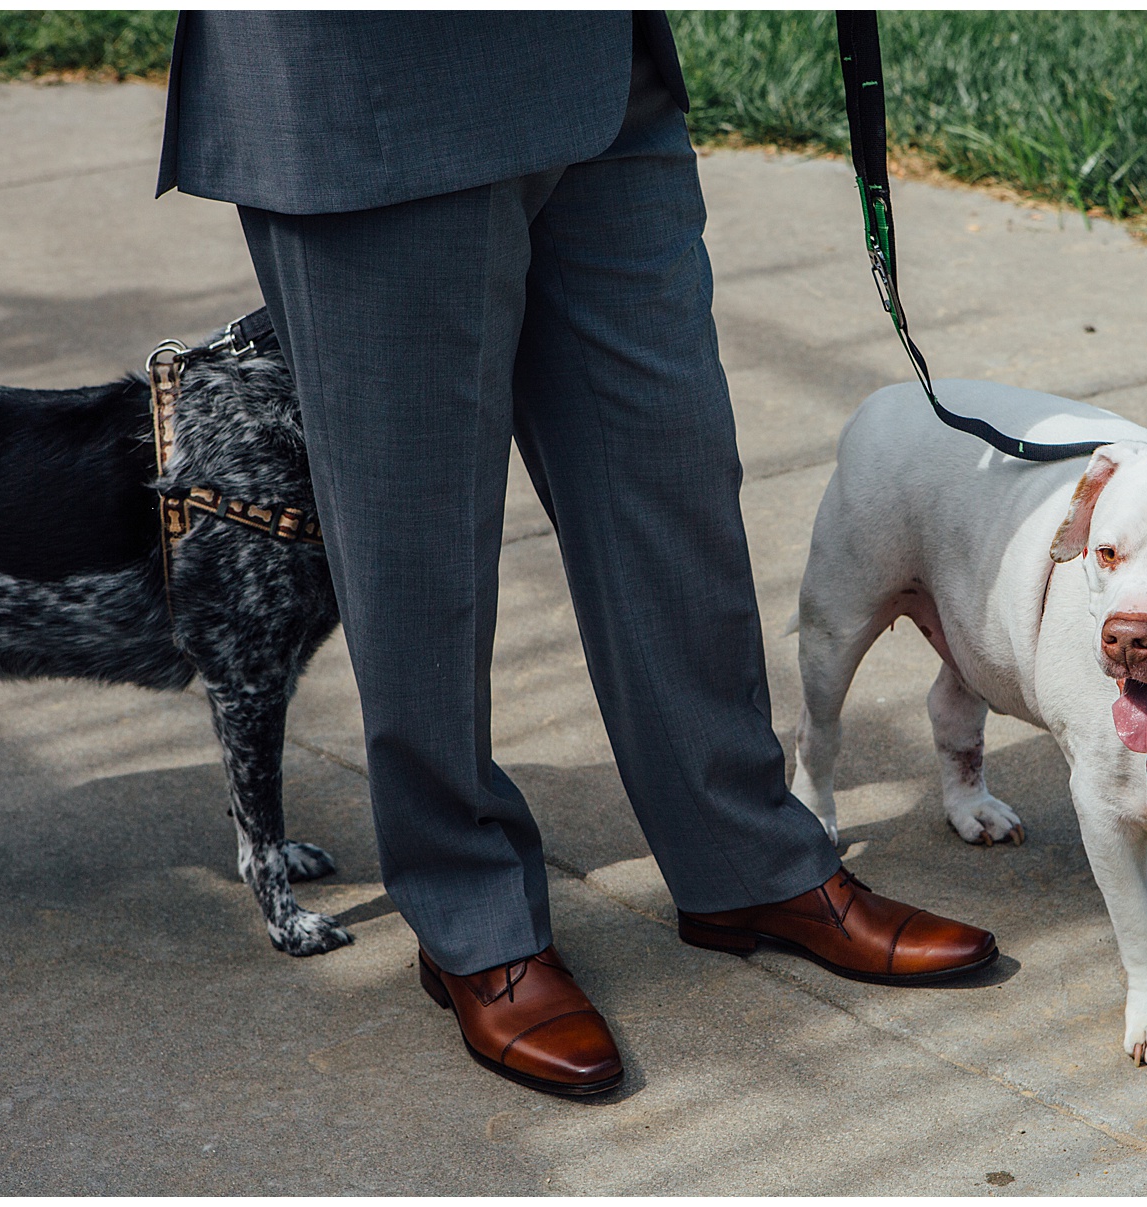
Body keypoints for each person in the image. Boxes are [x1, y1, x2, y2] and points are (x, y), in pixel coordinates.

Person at [157, 11, 998, 1097]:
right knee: (422, 544)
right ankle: (472, 914)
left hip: (597, 65)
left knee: (674, 482)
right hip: (373, 88)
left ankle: (743, 855)